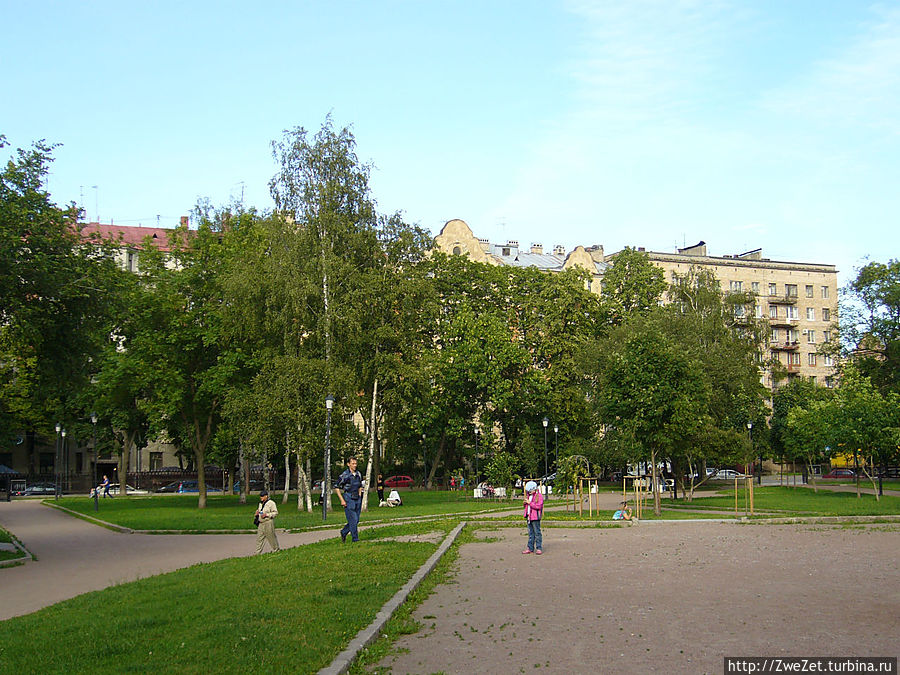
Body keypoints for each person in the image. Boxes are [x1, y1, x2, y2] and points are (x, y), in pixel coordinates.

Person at [335, 457, 364, 543]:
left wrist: (360, 495)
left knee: (356, 520)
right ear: (348, 464)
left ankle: (344, 532)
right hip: (348, 497)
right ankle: (355, 539)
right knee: (353, 519)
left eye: (356, 464)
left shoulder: (358, 474)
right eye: (353, 464)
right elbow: (336, 487)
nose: (355, 465)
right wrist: (342, 500)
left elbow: (360, 485)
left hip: (357, 498)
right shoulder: (344, 475)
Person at [255, 490, 280, 554]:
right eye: (260, 496)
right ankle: (257, 553)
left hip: (268, 522)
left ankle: (276, 550)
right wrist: (257, 513)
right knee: (259, 539)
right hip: (261, 523)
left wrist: (267, 515)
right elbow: (260, 511)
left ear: (266, 496)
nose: (261, 498)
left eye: (262, 496)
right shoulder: (260, 504)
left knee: (271, 537)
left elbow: (275, 513)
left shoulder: (271, 503)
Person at [522, 480, 544, 555]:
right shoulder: (529, 496)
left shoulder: (539, 496)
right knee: (530, 533)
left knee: (537, 533)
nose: (529, 492)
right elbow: (527, 506)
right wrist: (525, 504)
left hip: (535, 517)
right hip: (529, 517)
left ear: (534, 489)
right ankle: (530, 548)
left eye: (530, 491)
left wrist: (529, 503)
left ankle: (539, 548)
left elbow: (538, 506)